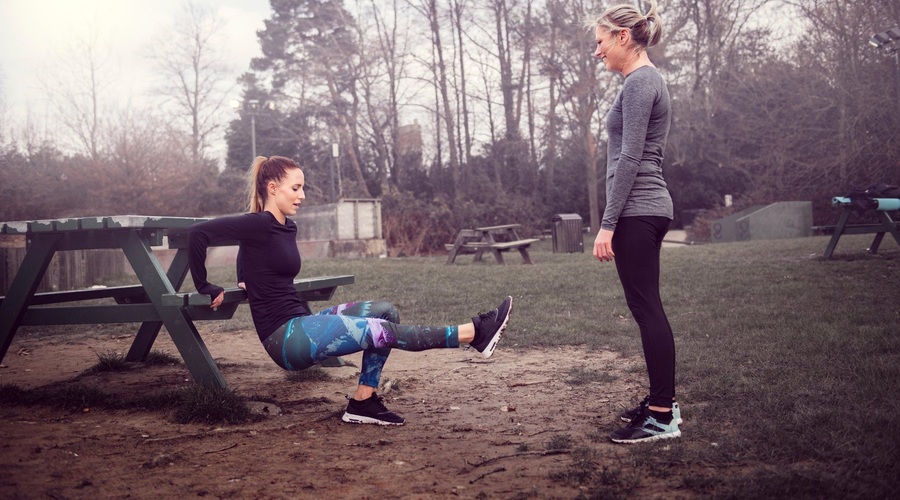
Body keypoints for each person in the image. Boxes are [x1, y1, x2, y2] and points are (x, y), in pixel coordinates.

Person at [187, 155, 512, 426]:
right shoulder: (256, 222)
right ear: (273, 188)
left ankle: (363, 401)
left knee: (385, 311)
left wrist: (246, 277)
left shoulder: (286, 225)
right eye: (296, 188)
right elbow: (199, 233)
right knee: (379, 331)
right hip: (285, 339)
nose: (302, 196)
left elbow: (254, 255)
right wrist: (204, 284)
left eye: (303, 188)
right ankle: (473, 333)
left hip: (302, 322)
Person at [590, 1, 681, 443]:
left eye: (601, 41)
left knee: (647, 309)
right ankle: (660, 402)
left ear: (623, 37)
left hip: (639, 209)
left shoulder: (642, 82)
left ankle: (662, 415)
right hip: (643, 208)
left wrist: (608, 223)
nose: (598, 51)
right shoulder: (637, 83)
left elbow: (629, 158)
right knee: (646, 307)